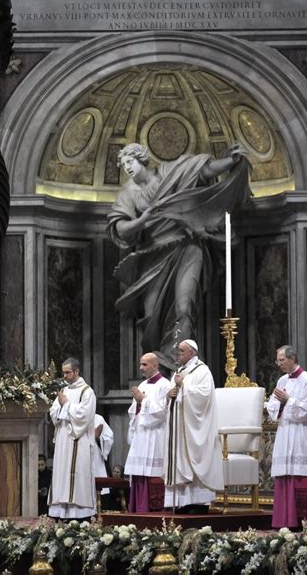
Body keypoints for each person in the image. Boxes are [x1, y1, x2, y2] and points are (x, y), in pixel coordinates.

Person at [106, 142, 250, 366]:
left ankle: (181, 364)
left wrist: (229, 161)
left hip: (187, 248)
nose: (127, 168)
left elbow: (202, 170)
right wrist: (143, 220)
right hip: (152, 256)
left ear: (142, 159)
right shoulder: (128, 194)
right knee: (151, 315)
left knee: (184, 305)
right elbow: (120, 228)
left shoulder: (169, 173)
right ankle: (158, 368)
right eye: (124, 165)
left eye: (130, 162)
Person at [266, 345, 307, 530]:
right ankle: (285, 520)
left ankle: (305, 522)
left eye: (282, 360)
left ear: (292, 359)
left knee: (301, 476)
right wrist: (280, 403)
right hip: (286, 433)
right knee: (285, 475)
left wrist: (287, 401)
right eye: (278, 360)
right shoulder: (282, 380)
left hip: (302, 436)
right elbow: (272, 406)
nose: (279, 364)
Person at [164, 339, 224, 513]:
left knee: (194, 458)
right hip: (179, 425)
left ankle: (199, 502)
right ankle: (182, 502)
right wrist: (169, 394)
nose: (178, 355)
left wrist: (184, 385)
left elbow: (204, 395)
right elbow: (171, 394)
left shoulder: (202, 370)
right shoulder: (179, 371)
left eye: (181, 352)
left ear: (191, 352)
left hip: (194, 426)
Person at [48, 357, 97, 520]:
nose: (65, 376)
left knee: (76, 474)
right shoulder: (65, 390)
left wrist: (67, 405)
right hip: (63, 439)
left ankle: (80, 515)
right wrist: (61, 406)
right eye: (63, 373)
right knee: (62, 473)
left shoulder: (87, 392)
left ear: (77, 371)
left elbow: (84, 416)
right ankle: (61, 512)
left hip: (78, 439)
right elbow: (53, 412)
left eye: (68, 372)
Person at [124, 352, 170, 512]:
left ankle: (153, 509)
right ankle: (137, 508)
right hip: (141, 435)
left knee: (152, 473)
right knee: (138, 472)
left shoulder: (165, 385)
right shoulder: (142, 385)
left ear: (155, 365)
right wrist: (138, 404)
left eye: (145, 364)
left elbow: (163, 412)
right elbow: (133, 412)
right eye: (140, 364)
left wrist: (143, 401)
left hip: (155, 435)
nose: (141, 368)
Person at [93, 413, 114, 503]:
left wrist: (98, 438)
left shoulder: (98, 418)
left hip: (94, 455)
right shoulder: (75, 416)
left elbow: (109, 437)